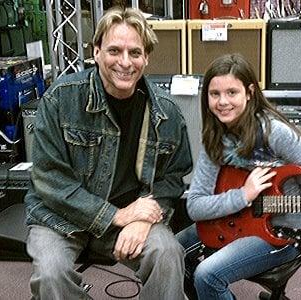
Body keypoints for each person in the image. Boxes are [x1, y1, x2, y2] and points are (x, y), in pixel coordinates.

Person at [24, 7, 192, 300]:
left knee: (167, 253)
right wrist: (116, 215)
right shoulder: (61, 98)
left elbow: (174, 177)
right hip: (59, 217)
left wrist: (142, 219)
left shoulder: (167, 112)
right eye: (114, 50)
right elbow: (49, 179)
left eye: (135, 53)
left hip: (129, 218)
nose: (125, 62)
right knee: (52, 274)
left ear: (146, 58)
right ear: (97, 51)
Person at [176, 53, 301, 300]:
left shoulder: (275, 133)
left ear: (249, 92)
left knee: (207, 275)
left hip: (284, 234)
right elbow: (195, 206)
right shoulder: (215, 139)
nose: (222, 102)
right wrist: (243, 195)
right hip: (238, 219)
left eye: (231, 92)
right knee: (171, 254)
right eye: (215, 94)